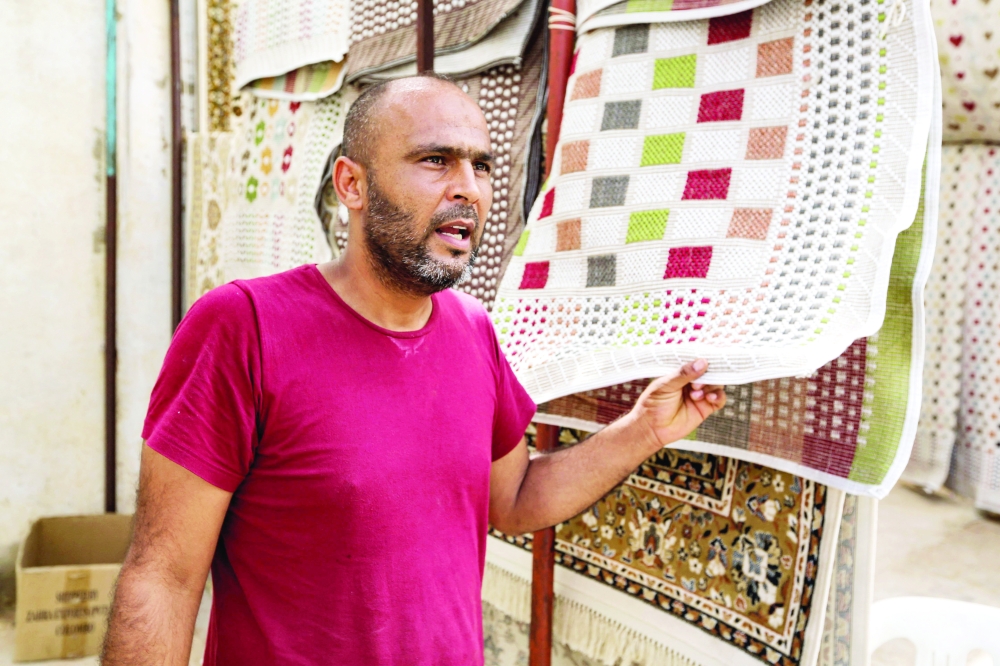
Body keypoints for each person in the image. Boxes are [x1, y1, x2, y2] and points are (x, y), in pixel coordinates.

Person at [101, 74, 727, 666]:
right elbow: (163, 576)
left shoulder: (473, 331)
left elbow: (511, 500)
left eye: (480, 165)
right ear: (353, 185)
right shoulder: (244, 327)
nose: (469, 189)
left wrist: (642, 430)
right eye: (436, 161)